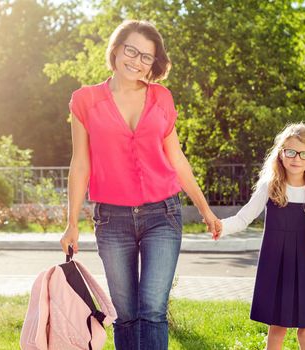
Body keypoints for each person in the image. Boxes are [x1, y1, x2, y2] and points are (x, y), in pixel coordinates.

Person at [60, 19, 220, 350]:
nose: (136, 60)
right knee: (126, 314)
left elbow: (177, 159)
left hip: (163, 214)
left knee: (152, 312)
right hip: (112, 219)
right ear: (116, 49)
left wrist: (205, 210)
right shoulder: (85, 100)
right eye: (131, 50)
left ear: (153, 63)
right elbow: (80, 164)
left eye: (146, 56)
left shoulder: (161, 97)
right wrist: (71, 223)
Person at [219, 123, 305, 350]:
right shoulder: (270, 185)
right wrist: (220, 227)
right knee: (277, 327)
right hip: (277, 260)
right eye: (290, 151)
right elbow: (243, 218)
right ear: (281, 153)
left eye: (304, 154)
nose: (296, 158)